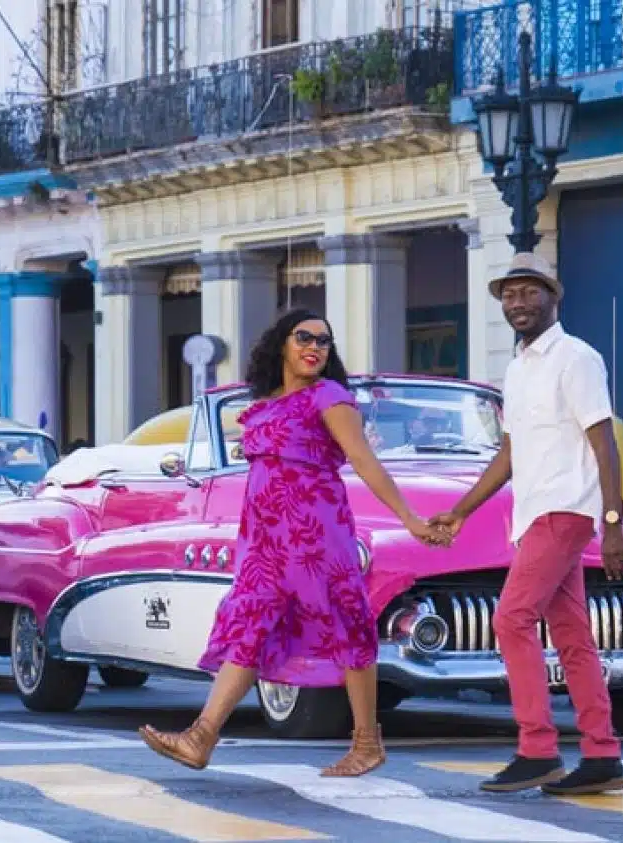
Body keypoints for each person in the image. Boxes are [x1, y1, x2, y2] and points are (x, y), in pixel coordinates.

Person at [138, 309, 441, 777]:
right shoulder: (266, 402)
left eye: (324, 340)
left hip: (315, 534)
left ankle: (366, 742)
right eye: (304, 337)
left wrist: (409, 517)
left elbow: (364, 462)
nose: (315, 347)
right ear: (282, 343)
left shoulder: (330, 397)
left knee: (345, 623)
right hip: (265, 543)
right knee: (249, 625)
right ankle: (201, 737)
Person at [427, 252, 623, 796]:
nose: (518, 303)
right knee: (571, 636)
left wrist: (612, 521)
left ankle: (537, 749)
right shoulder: (516, 371)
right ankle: (603, 755)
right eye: (509, 295)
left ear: (552, 296)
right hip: (534, 512)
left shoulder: (576, 358)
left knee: (511, 620)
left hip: (567, 509)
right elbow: (510, 452)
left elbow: (603, 442)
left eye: (529, 292)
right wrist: (462, 509)